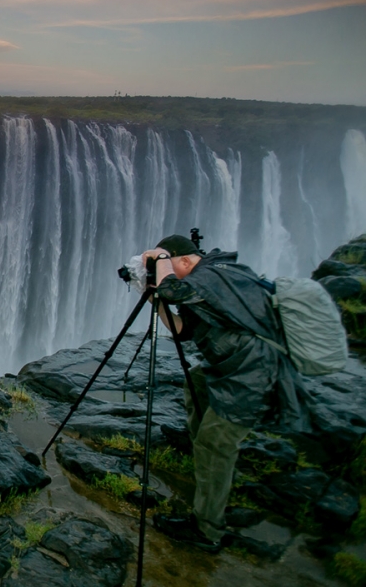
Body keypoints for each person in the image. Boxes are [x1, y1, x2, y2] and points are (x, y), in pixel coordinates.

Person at [140, 234, 308, 552]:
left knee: (216, 444)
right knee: (197, 386)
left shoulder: (213, 276)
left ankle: (207, 530)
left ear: (185, 261)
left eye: (169, 265)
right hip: (234, 366)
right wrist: (153, 299)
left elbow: (173, 288)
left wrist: (161, 264)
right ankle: (206, 464)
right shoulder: (203, 284)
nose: (164, 274)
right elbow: (183, 331)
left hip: (254, 373)